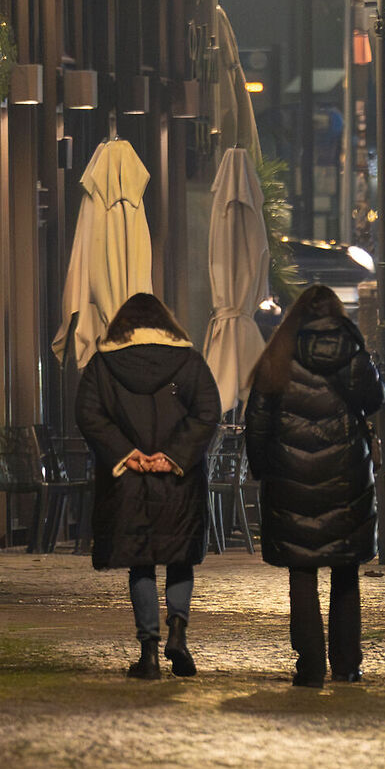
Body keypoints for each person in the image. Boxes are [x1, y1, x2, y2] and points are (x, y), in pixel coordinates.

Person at [75, 291, 221, 680]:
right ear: (166, 323)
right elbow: (208, 411)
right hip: (179, 479)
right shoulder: (188, 360)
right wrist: (173, 455)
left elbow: (88, 413)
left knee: (140, 562)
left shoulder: (104, 363)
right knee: (180, 556)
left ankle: (149, 653)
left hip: (127, 481)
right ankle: (178, 631)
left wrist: (126, 453)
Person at [244, 282, 385, 687]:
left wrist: (262, 469)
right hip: (345, 477)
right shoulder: (352, 350)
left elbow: (258, 418)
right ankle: (347, 665)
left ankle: (309, 668)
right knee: (345, 573)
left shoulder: (278, 352)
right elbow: (376, 397)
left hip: (289, 478)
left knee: (301, 574)